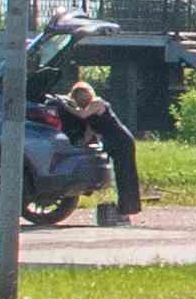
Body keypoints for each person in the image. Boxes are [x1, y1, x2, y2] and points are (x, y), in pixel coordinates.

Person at [47, 68, 145, 223]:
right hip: (113, 142)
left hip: (122, 141)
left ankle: (127, 209)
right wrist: (81, 146)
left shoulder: (97, 103)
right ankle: (124, 210)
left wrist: (64, 105)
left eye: (80, 97)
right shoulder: (90, 111)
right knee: (120, 176)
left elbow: (82, 115)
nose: (81, 101)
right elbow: (89, 131)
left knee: (126, 175)